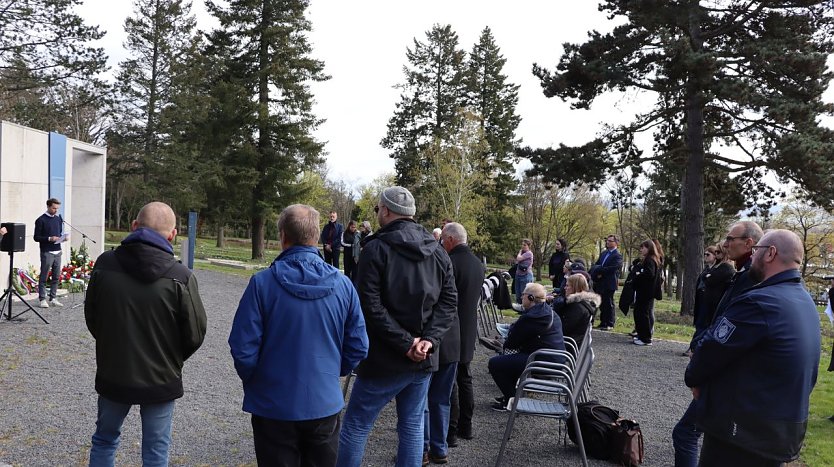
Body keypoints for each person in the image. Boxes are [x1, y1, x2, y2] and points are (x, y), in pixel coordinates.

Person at [229, 205, 368, 466]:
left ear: (283, 235)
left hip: (274, 404)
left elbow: (242, 347)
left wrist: (261, 381)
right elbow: (358, 345)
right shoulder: (344, 286)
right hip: (323, 402)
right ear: (315, 236)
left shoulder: (262, 284)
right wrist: (330, 371)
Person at [337, 186, 456, 467]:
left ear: (386, 210)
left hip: (386, 359)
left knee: (356, 425)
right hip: (421, 358)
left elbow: (369, 305)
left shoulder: (376, 249)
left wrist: (417, 342)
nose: (377, 213)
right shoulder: (438, 252)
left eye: (378, 208)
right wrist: (427, 341)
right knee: (412, 426)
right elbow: (448, 303)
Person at [84, 201, 207, 466]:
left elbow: (92, 316)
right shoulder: (181, 277)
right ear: (173, 235)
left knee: (105, 439)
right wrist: (170, 356)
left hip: (114, 371)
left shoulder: (105, 264)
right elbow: (195, 333)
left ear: (134, 226)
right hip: (161, 377)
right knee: (156, 450)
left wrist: (112, 345)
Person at [685, 229, 820, 464]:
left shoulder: (760, 301)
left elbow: (711, 350)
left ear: (770, 253)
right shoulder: (804, 301)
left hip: (742, 435)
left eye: (756, 250)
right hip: (778, 432)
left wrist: (695, 377)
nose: (752, 256)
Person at [672, 220, 763, 467]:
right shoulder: (743, 273)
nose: (725, 243)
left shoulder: (750, 277)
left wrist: (701, 370)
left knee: (686, 433)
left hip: (726, 374)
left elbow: (731, 326)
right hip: (721, 366)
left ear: (749, 243)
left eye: (731, 239)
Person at [488, 282, 565, 411]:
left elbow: (511, 343)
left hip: (542, 361)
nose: (521, 297)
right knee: (511, 359)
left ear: (531, 298)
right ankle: (512, 396)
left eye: (523, 295)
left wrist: (505, 340)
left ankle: (511, 399)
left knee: (495, 364)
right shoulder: (548, 311)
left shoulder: (531, 317)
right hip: (555, 358)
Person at [441, 223, 485, 448]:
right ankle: (466, 426)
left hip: (451, 328)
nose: (442, 244)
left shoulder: (450, 262)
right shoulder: (477, 263)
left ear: (450, 239)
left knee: (450, 382)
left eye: (443, 240)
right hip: (469, 326)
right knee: (465, 377)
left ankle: (451, 430)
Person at [685, 245, 734, 356]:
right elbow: (705, 278)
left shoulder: (726, 268)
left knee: (706, 327)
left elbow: (710, 279)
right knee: (701, 325)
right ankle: (694, 348)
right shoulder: (714, 267)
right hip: (706, 302)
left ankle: (695, 348)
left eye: (718, 252)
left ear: (724, 253)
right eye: (715, 252)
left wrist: (708, 276)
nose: (716, 254)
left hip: (714, 305)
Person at [33, 198, 68, 308]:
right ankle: (42, 299)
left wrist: (63, 238)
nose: (56, 210)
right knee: (44, 276)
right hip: (47, 251)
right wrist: (49, 238)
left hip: (58, 251)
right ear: (48, 206)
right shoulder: (41, 220)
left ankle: (53, 298)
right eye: (53, 208)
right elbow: (36, 237)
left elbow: (59, 233)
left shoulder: (58, 219)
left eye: (57, 208)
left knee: (56, 276)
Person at [589, 234, 622, 330]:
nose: (607, 242)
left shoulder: (617, 255)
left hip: (609, 282)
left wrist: (601, 271)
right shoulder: (604, 253)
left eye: (610, 241)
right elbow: (597, 265)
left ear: (616, 243)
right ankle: (603, 322)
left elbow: (613, 268)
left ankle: (610, 323)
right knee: (601, 303)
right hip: (600, 282)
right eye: (607, 240)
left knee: (608, 303)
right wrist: (597, 272)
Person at [558, 274, 599, 350]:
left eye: (567, 286)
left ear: (575, 288)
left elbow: (562, 329)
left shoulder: (576, 307)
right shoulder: (586, 303)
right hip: (575, 343)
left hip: (567, 345)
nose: (564, 288)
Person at [632, 239, 661, 346]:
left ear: (649, 248)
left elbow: (649, 274)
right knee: (640, 313)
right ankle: (641, 335)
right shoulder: (651, 259)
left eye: (643, 247)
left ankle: (646, 338)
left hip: (646, 292)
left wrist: (638, 274)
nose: (641, 249)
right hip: (645, 292)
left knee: (642, 314)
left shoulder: (650, 260)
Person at [514, 239, 534, 303]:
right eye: (522, 245)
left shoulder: (529, 253)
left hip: (525, 276)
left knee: (524, 294)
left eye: (524, 245)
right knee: (518, 294)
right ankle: (519, 306)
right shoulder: (523, 253)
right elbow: (517, 262)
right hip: (518, 275)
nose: (522, 246)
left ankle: (524, 307)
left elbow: (518, 258)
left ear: (528, 246)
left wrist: (519, 252)